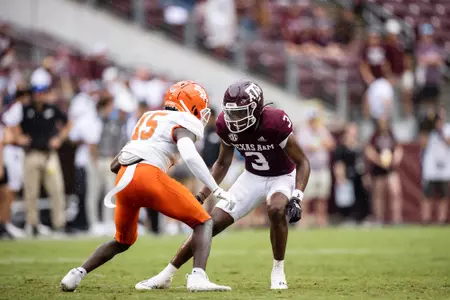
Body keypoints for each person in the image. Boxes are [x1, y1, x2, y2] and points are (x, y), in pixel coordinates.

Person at [136, 79, 310, 290]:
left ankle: (278, 269)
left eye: (240, 112)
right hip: (251, 176)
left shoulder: (275, 122)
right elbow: (222, 163)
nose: (233, 118)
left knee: (275, 209)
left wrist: (297, 196)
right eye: (231, 112)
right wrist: (201, 195)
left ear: (255, 109)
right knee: (211, 222)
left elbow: (302, 162)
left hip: (282, 176)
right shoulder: (224, 125)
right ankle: (167, 273)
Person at [60, 80, 234, 292]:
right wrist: (215, 188)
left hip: (123, 178)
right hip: (148, 175)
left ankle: (76, 274)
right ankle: (198, 276)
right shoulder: (183, 120)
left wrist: (132, 180)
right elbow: (189, 154)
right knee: (204, 221)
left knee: (122, 240)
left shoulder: (148, 117)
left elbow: (117, 162)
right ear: (190, 104)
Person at [298, 110, 335, 227]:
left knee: (322, 197)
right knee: (306, 197)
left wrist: (320, 144)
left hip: (322, 168)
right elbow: (307, 147)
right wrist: (320, 144)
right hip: (309, 169)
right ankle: (303, 221)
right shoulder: (303, 132)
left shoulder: (323, 130)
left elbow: (331, 144)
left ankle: (321, 221)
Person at [365, 118, 403, 225]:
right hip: (378, 170)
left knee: (395, 193)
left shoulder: (391, 135)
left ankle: (397, 219)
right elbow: (369, 151)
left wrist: (395, 158)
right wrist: (379, 160)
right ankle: (379, 219)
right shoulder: (374, 136)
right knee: (378, 195)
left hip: (391, 169)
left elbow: (399, 148)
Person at [421, 109, 450, 224]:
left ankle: (441, 219)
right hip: (431, 169)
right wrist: (428, 128)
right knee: (428, 195)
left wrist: (441, 132)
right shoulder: (429, 131)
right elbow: (423, 144)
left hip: (444, 168)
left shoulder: (447, 129)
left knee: (443, 195)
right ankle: (426, 219)